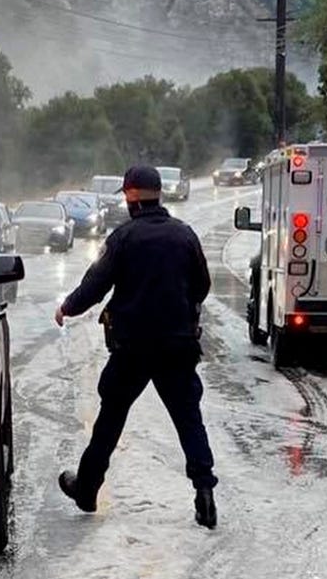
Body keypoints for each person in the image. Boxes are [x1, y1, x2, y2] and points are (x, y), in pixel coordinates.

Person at [53, 165, 218, 528]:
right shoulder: (185, 236)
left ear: (130, 196)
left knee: (110, 419)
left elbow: (96, 283)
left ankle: (87, 488)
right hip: (178, 346)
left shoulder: (124, 237)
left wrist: (68, 307)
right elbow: (202, 285)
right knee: (189, 419)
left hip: (132, 349)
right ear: (158, 193)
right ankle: (205, 494)